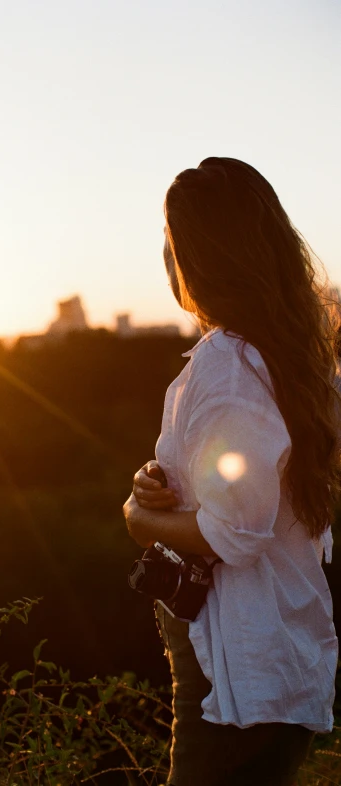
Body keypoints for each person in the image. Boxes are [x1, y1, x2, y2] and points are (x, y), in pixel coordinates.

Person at [122, 156, 341, 786]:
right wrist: (163, 481)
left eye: (171, 242)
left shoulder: (228, 363)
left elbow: (234, 534)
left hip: (237, 679)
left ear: (196, 257)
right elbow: (250, 485)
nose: (166, 258)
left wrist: (140, 520)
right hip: (271, 659)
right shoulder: (290, 353)